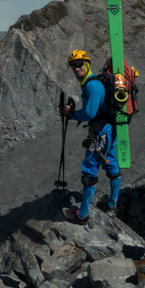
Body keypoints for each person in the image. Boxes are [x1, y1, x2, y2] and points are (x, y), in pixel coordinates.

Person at [59, 50, 120, 223]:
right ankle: (112, 206)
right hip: (109, 131)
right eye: (73, 66)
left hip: (101, 134)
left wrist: (71, 115)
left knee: (89, 171)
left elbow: (90, 113)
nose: (76, 68)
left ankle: (82, 215)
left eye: (79, 64)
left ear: (86, 64)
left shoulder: (92, 86)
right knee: (112, 166)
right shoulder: (92, 83)